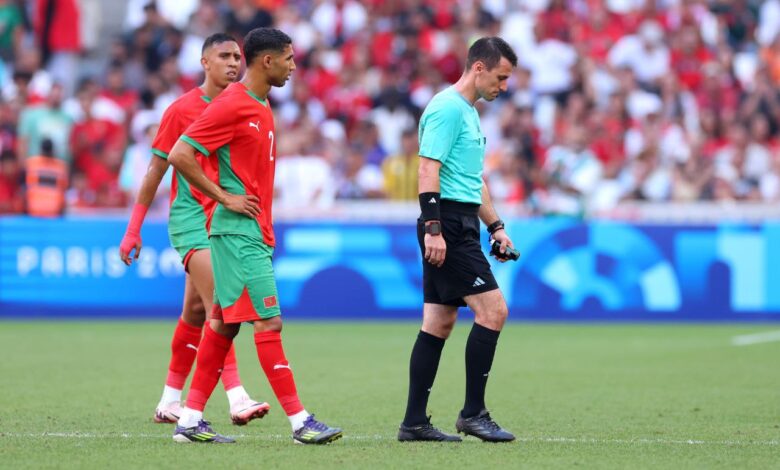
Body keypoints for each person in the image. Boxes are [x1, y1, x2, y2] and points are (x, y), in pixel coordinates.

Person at [167, 27, 342, 445]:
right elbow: (180, 154)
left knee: (223, 324)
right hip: (237, 233)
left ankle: (189, 421)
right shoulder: (233, 105)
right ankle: (301, 422)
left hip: (252, 231)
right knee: (269, 320)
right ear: (267, 61)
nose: (294, 66)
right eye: (289, 58)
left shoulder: (261, 105)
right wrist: (224, 197)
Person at [118, 33, 269, 427]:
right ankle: (236, 397)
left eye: (237, 56)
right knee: (222, 302)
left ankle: (169, 401)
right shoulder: (181, 109)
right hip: (191, 221)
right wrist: (133, 230)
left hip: (226, 221)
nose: (233, 62)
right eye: (224, 56)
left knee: (196, 310)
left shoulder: (247, 105)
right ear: (204, 62)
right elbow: (156, 172)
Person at [398, 37, 518, 443]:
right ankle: (473, 413)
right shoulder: (448, 108)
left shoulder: (468, 112)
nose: (503, 86)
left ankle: (414, 423)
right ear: (479, 68)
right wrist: (434, 228)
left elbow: (473, 181)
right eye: (500, 77)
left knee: (438, 321)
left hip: (461, 220)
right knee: (493, 311)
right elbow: (427, 169)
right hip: (446, 223)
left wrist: (496, 227)